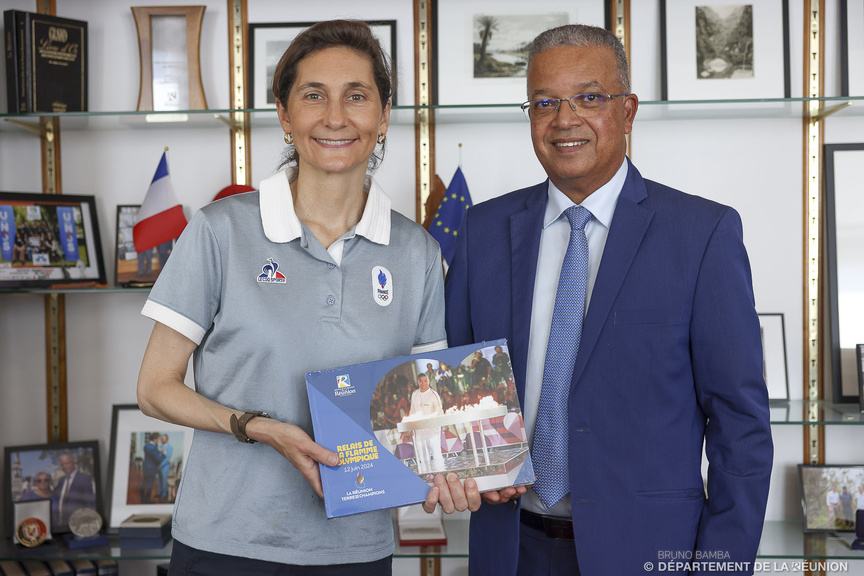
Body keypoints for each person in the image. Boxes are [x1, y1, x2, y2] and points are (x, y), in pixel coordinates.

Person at [136, 20, 475, 575]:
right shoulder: (220, 231)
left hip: (357, 549)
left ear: (383, 115)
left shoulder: (416, 252)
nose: (335, 116)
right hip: (226, 544)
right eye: (313, 95)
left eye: (356, 96)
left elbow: (428, 412)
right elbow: (154, 389)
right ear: (284, 114)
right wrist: (256, 426)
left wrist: (459, 470)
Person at [444, 24, 773, 576]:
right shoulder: (481, 232)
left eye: (589, 97)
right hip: (508, 547)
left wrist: (721, 565)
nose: (565, 119)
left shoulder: (701, 234)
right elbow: (453, 387)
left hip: (647, 552)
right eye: (545, 102)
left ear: (628, 110)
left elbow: (741, 425)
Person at [405, 373, 444, 473]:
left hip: (433, 430)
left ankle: (440, 473)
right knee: (422, 457)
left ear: (428, 381)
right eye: (421, 381)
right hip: (419, 431)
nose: (423, 383)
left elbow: (439, 411)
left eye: (425, 381)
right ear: (418, 382)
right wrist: (410, 426)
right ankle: (425, 475)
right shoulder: (415, 394)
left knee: (436, 455)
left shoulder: (433, 394)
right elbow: (412, 411)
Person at [53, 454, 96, 527]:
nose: (65, 466)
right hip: (62, 520)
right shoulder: (61, 481)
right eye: (62, 464)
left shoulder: (84, 478)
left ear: (73, 463)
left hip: (78, 521)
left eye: (67, 463)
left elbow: (89, 502)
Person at [141, 432, 165, 504]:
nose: (158, 441)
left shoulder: (146, 446)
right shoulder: (153, 448)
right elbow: (158, 460)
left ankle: (142, 499)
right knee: (150, 485)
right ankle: (147, 501)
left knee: (144, 483)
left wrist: (158, 451)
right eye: (158, 439)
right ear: (155, 439)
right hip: (151, 469)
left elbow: (151, 453)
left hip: (145, 467)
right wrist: (163, 454)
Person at [158, 434, 173, 501]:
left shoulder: (169, 447)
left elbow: (168, 458)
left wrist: (160, 466)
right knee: (159, 480)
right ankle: (160, 493)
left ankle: (164, 494)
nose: (161, 440)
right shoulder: (160, 446)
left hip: (165, 467)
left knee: (164, 481)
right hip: (159, 466)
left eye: (163, 439)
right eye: (161, 439)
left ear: (167, 439)